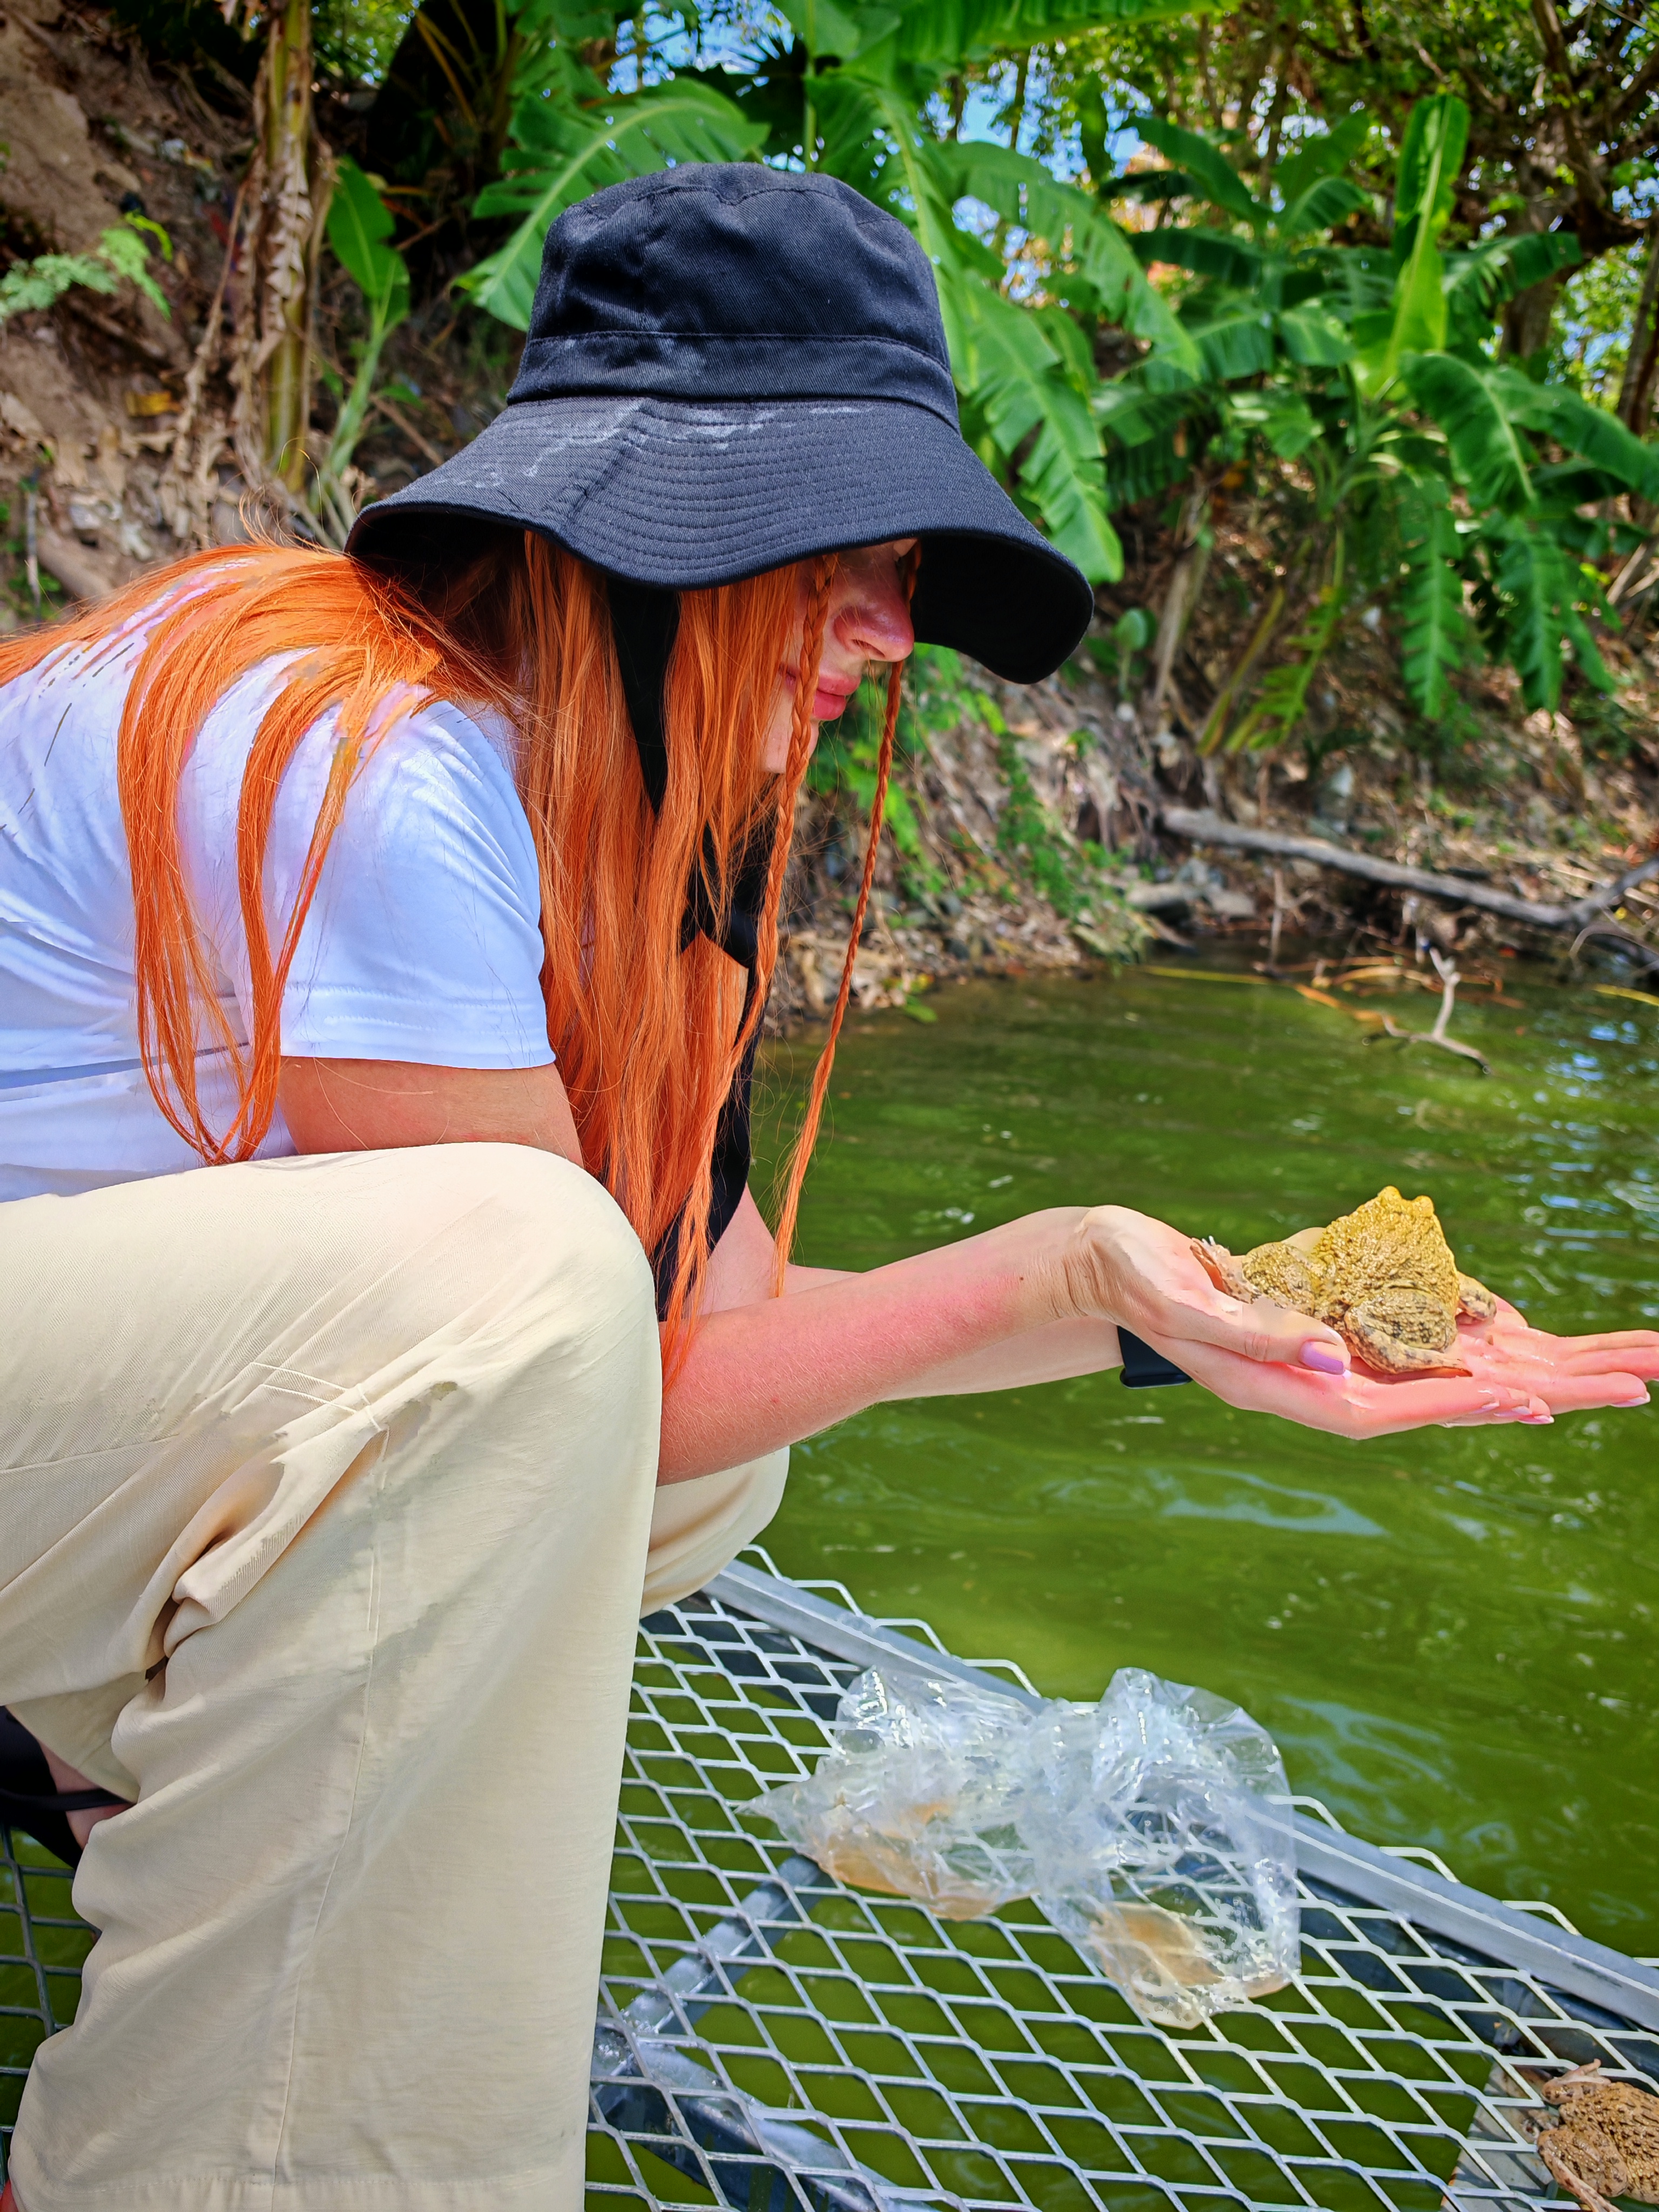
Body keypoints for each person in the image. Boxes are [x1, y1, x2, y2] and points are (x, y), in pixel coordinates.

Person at [0, 163, 1652, 2212]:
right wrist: (1048, 1264)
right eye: (835, 556)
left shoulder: (609, 824)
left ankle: (110, 1745)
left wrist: (1164, 1318)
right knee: (532, 1295)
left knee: (706, 1466)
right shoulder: (384, 758)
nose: (891, 632)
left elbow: (706, 1358)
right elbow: (556, 1329)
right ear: (634, 529)